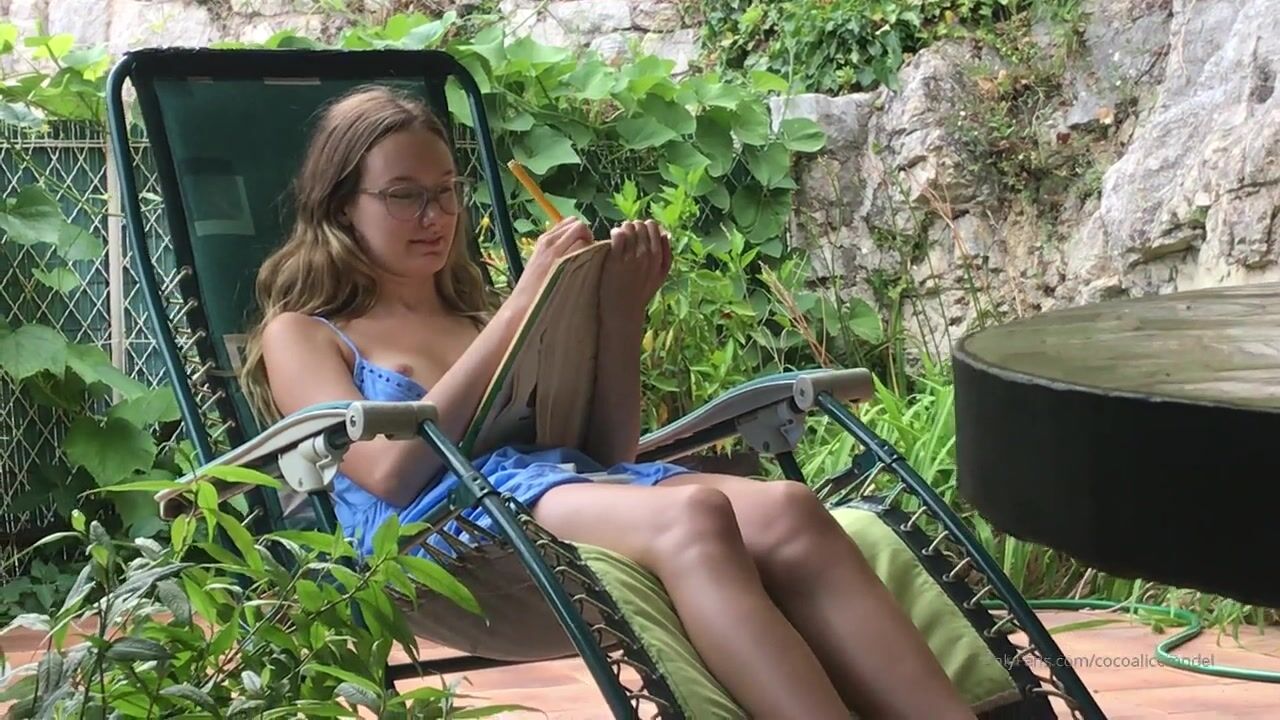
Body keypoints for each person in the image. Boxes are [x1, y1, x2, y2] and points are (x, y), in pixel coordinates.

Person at [238, 84, 976, 720]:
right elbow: (389, 472)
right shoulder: (304, 333)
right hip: (443, 541)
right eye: (404, 195)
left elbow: (603, 457)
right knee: (694, 515)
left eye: (446, 190)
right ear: (342, 206)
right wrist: (522, 305)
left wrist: (623, 313)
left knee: (789, 508)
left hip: (554, 496)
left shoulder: (470, 316)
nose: (435, 215)